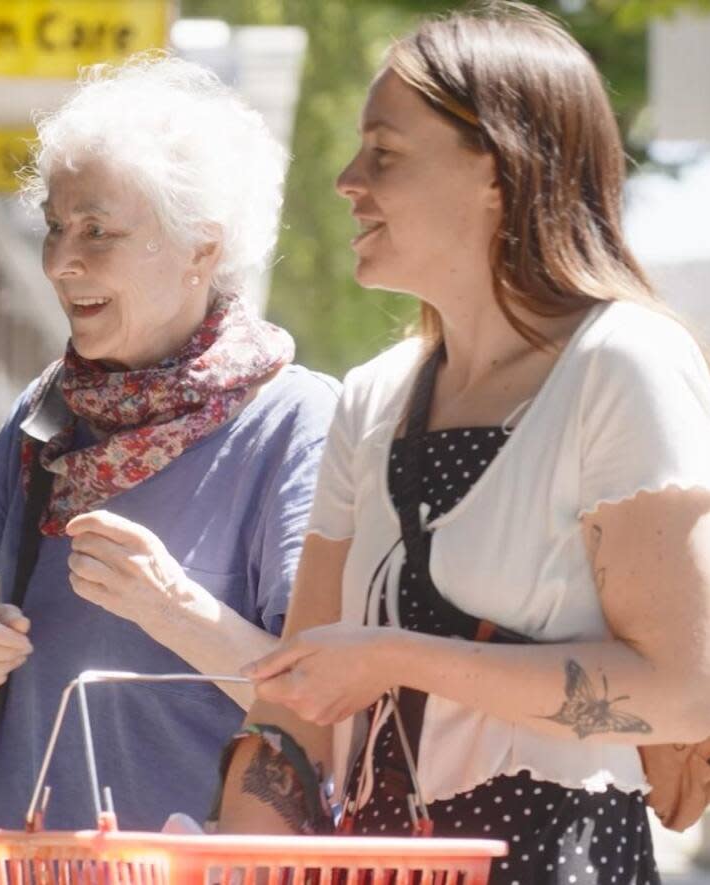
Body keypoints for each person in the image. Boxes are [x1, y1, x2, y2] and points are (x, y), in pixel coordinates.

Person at [214, 4, 710, 884]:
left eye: (385, 154)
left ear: (501, 171)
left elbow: (680, 690)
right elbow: (288, 715)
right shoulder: (372, 397)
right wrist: (237, 854)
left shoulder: (622, 362)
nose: (345, 179)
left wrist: (396, 658)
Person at [0, 54, 340, 833]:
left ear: (202, 249)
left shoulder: (297, 422)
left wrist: (173, 608)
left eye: (98, 231)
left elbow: (326, 706)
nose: (60, 261)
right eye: (54, 226)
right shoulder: (47, 410)